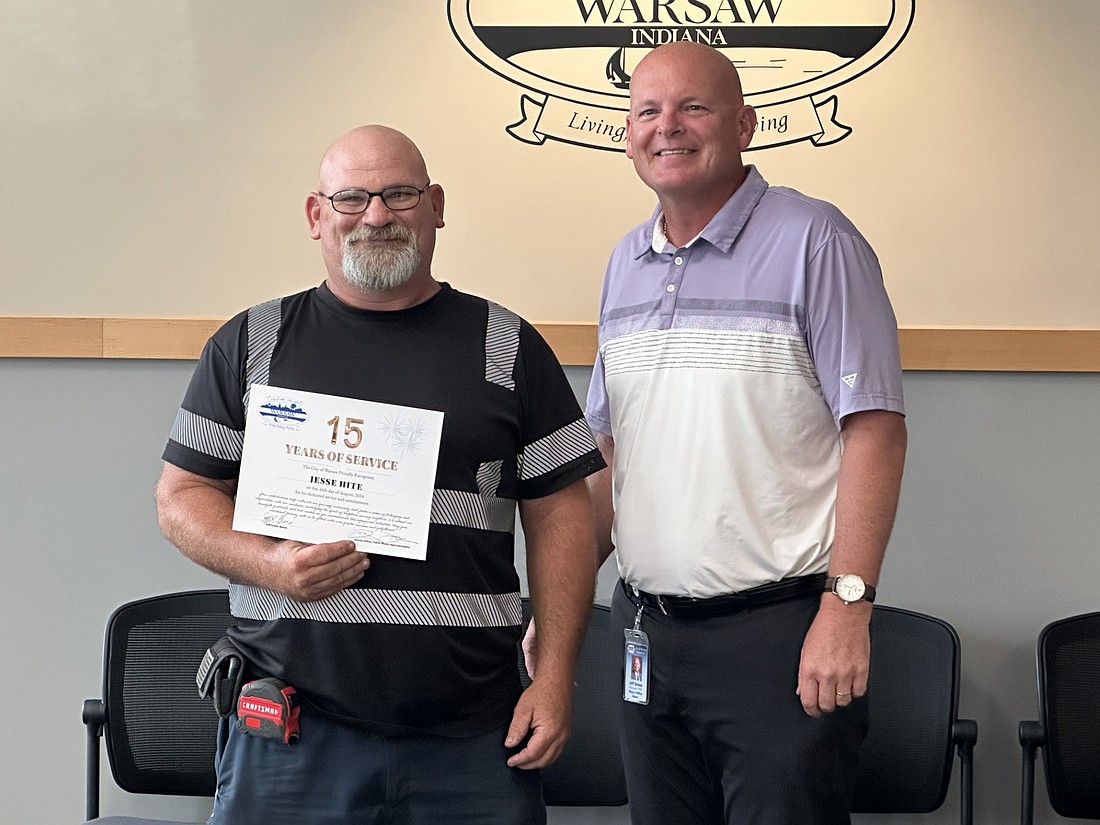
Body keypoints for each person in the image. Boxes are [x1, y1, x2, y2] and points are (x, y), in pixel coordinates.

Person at [155, 125, 604, 825]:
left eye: (399, 194)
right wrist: (270, 564)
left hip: (473, 738)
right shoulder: (251, 342)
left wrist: (553, 679)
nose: (376, 216)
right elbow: (181, 497)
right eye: (353, 198)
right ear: (316, 215)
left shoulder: (506, 344)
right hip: (290, 735)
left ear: (436, 206)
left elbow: (562, 513)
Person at [585, 42, 908, 824]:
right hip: (647, 636)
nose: (668, 127)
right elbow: (609, 450)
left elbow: (876, 429)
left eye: (693, 107)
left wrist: (846, 609)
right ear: (628, 133)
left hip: (780, 638)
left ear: (745, 125)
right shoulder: (625, 263)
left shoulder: (816, 241)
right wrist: (558, 609)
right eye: (647, 111)